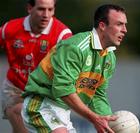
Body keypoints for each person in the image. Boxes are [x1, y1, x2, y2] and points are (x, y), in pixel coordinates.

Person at [21, 4, 127, 133]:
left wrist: (108, 123)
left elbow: (97, 94)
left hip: (62, 112)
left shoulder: (110, 57)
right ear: (102, 26)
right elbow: (63, 89)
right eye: (119, 24)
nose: (125, 30)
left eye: (125, 25)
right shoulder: (75, 47)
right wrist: (94, 118)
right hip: (40, 104)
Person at [0, 0, 72, 132]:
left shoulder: (63, 35)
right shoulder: (9, 29)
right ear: (29, 8)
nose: (46, 14)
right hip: (16, 88)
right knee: (18, 111)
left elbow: (69, 72)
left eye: (50, 9)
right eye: (41, 9)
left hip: (45, 92)